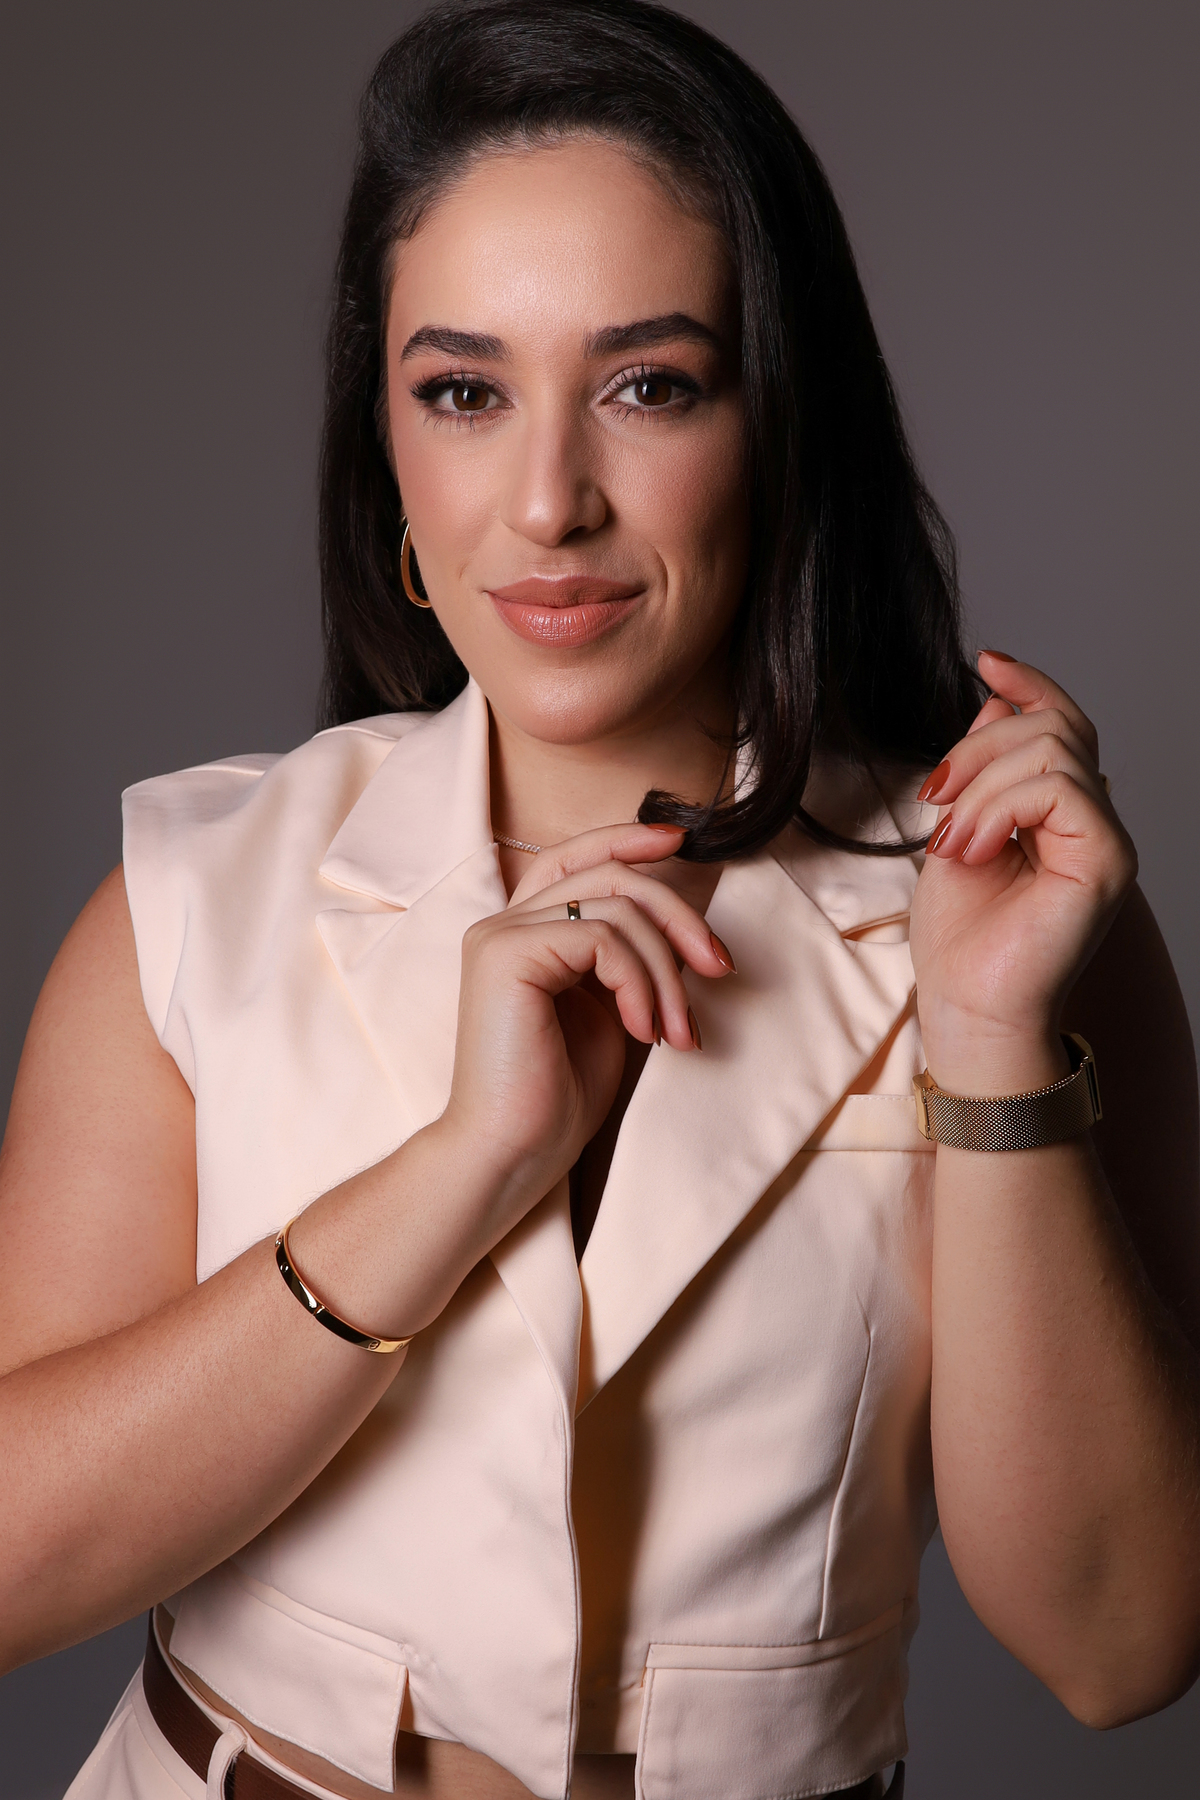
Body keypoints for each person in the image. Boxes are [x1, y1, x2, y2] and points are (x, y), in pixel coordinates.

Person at [2, 3, 1198, 1797]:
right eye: (464, 393)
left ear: (780, 424)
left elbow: (1120, 1648)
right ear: (389, 452)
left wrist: (987, 1044)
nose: (549, 500)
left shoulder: (1008, 918)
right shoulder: (191, 900)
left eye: (650, 385)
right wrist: (454, 1174)